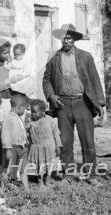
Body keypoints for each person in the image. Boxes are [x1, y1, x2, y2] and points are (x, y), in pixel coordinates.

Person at [42, 23, 106, 184]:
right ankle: (69, 174)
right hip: (63, 104)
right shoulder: (54, 58)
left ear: (74, 39)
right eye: (64, 38)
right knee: (65, 142)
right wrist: (51, 95)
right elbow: (46, 80)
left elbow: (95, 79)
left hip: (82, 102)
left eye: (69, 38)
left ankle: (91, 175)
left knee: (88, 141)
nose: (66, 41)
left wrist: (100, 103)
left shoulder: (86, 56)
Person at [27, 99, 62, 185]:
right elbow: (26, 133)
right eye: (32, 112)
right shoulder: (31, 122)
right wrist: (27, 126)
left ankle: (48, 179)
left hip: (49, 148)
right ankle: (40, 181)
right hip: (37, 148)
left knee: (49, 165)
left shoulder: (49, 120)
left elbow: (56, 133)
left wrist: (58, 146)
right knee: (39, 166)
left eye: (35, 112)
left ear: (43, 112)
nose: (33, 114)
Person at [1, 93, 30, 189]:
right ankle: (2, 187)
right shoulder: (8, 118)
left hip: (22, 148)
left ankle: (26, 188)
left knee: (23, 168)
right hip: (12, 148)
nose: (24, 111)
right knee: (9, 168)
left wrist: (25, 138)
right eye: (24, 108)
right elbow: (5, 135)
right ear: (19, 107)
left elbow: (20, 130)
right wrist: (8, 149)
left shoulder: (18, 117)